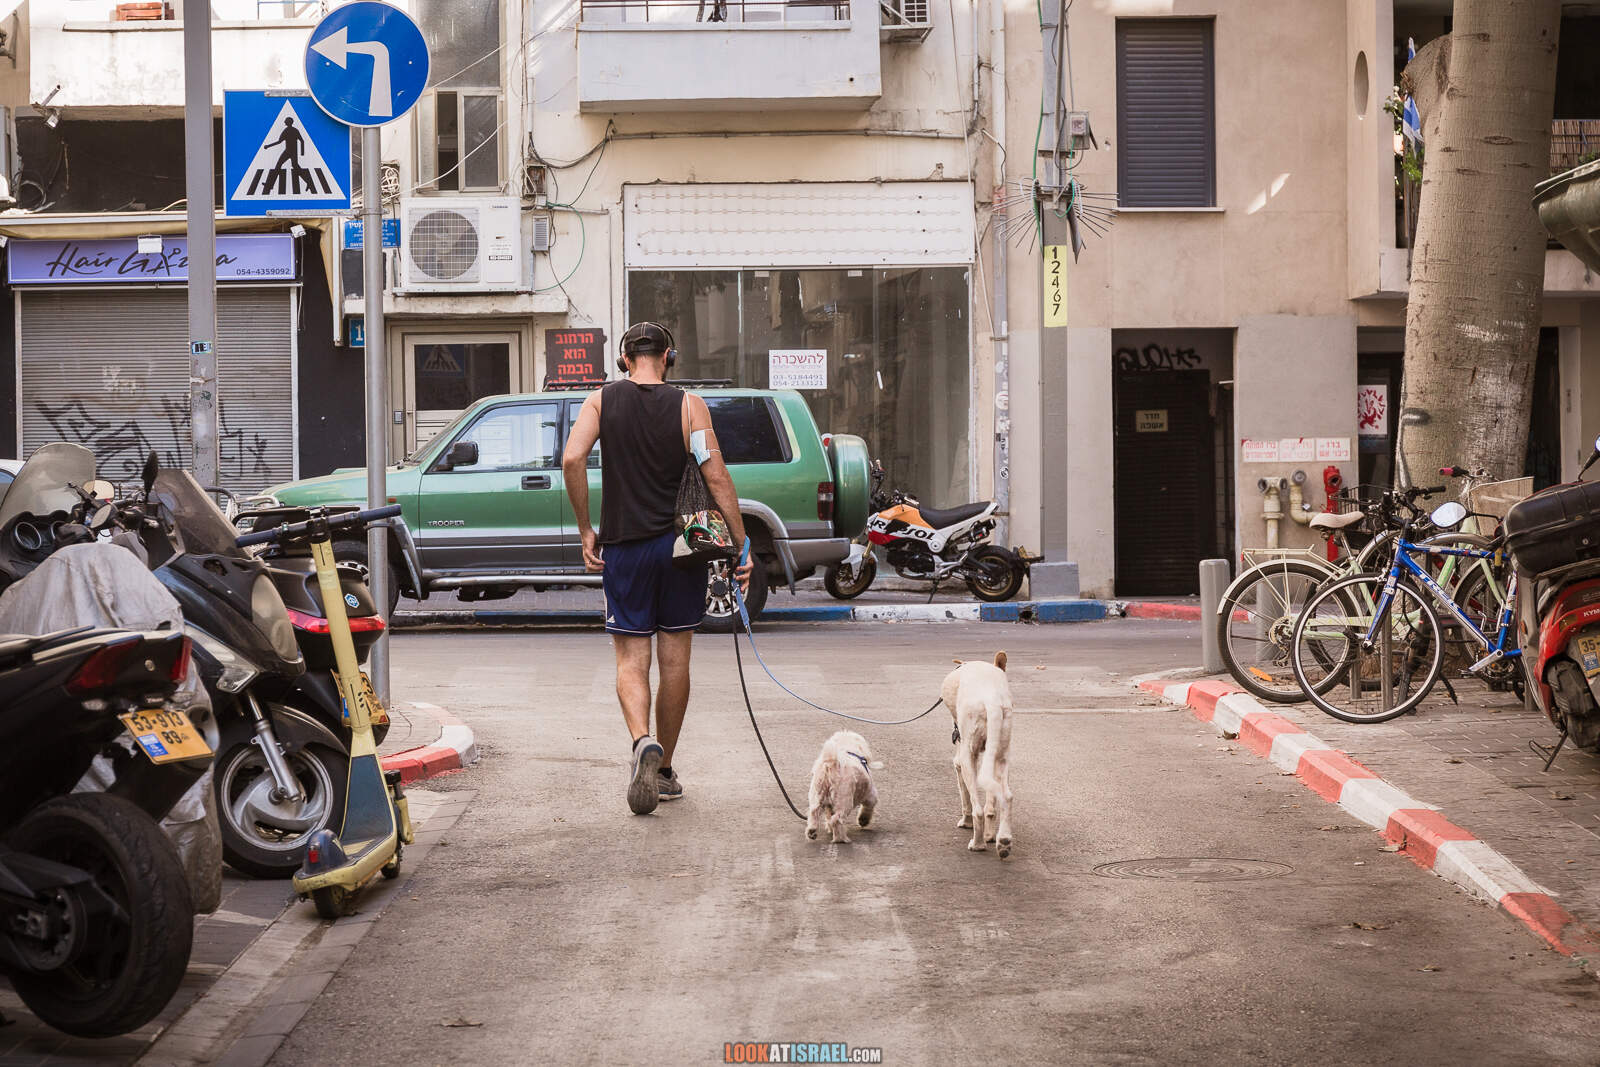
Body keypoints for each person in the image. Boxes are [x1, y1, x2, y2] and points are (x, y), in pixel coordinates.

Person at [562, 322, 752, 815]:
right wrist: (740, 543)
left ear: (625, 359)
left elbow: (572, 458)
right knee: (675, 663)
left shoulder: (600, 401)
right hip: (681, 550)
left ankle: (641, 740)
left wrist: (586, 529)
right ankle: (664, 769)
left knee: (631, 660)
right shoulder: (690, 406)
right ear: (670, 356)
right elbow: (716, 475)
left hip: (624, 549)